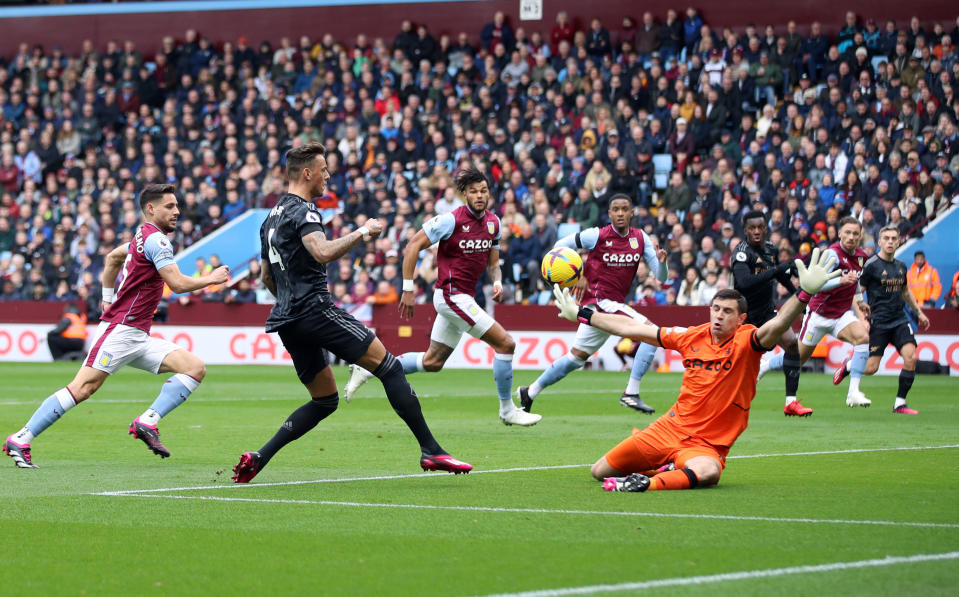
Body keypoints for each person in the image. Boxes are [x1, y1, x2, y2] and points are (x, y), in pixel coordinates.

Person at [231, 143, 471, 483]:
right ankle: (431, 450)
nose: (329, 176)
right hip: (315, 310)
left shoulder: (269, 219)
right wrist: (363, 232)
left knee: (325, 400)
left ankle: (259, 457)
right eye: (325, 170)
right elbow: (322, 251)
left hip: (287, 320)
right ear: (307, 173)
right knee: (388, 367)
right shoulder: (305, 212)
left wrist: (290, 303)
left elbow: (267, 276)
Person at [549, 248, 840, 492]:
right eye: (716, 309)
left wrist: (804, 294)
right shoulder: (690, 336)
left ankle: (648, 483)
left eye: (727, 312)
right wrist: (583, 314)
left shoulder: (748, 340)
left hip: (707, 443)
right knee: (599, 470)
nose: (719, 316)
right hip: (669, 428)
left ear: (741, 319)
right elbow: (630, 327)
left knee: (709, 472)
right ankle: (665, 468)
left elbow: (777, 326)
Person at [4, 184, 230, 468]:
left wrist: (106, 299)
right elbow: (177, 283)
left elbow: (112, 258)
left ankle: (147, 421)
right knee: (83, 388)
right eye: (170, 206)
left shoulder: (140, 236)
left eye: (177, 206)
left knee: (194, 367)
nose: (177, 211)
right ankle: (21, 438)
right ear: (151, 208)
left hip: (137, 333)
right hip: (121, 330)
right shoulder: (157, 240)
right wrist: (212, 278)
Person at [344, 167, 539, 426]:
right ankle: (507, 410)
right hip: (451, 296)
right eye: (473, 192)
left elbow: (493, 262)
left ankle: (369, 368)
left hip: (464, 297)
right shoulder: (450, 220)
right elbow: (413, 245)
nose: (479, 196)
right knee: (506, 344)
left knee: (432, 361)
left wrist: (498, 281)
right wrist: (408, 289)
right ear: (464, 195)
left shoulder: (494, 222)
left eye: (483, 191)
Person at [516, 194, 667, 414]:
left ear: (632, 212)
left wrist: (662, 263)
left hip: (609, 305)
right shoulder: (596, 235)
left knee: (575, 359)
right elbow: (559, 246)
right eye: (616, 209)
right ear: (609, 213)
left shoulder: (640, 238)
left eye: (625, 209)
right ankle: (631, 393)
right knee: (652, 334)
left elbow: (661, 276)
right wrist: (578, 275)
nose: (620, 213)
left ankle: (529, 392)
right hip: (599, 302)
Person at [761, 216, 872, 407]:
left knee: (862, 338)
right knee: (799, 358)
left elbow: (857, 277)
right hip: (819, 315)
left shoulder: (861, 256)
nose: (851, 237)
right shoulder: (832, 254)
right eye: (847, 232)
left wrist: (860, 300)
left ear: (860, 235)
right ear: (839, 234)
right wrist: (840, 281)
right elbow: (815, 284)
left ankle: (853, 392)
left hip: (842, 315)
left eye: (855, 233)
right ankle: (765, 365)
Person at [834, 224, 929, 414]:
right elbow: (856, 294)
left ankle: (899, 403)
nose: (890, 242)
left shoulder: (901, 266)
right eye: (886, 238)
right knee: (870, 368)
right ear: (879, 242)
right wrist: (862, 318)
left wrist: (919, 312)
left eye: (894, 238)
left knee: (911, 357)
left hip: (900, 320)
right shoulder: (870, 266)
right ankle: (849, 365)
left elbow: (905, 292)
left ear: (899, 240)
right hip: (879, 322)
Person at [732, 210, 810, 416]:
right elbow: (744, 283)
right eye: (752, 228)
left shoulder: (770, 249)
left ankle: (791, 403)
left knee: (792, 344)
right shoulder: (741, 253)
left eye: (760, 227)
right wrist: (776, 271)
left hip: (768, 312)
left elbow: (780, 275)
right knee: (736, 363)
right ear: (746, 230)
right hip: (744, 317)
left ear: (766, 228)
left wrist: (799, 295)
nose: (757, 231)